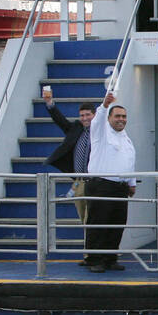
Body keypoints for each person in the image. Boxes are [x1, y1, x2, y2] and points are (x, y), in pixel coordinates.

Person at [84, 91, 136, 272]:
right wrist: (105, 106)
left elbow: (129, 159)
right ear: (109, 118)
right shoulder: (100, 133)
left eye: (124, 116)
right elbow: (97, 120)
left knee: (117, 223)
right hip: (101, 185)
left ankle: (110, 257)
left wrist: (131, 183)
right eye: (117, 116)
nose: (121, 119)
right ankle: (94, 259)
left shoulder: (125, 137)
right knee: (99, 223)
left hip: (120, 187)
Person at [43, 92, 94, 223]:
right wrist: (50, 103)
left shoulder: (100, 131)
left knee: (92, 217)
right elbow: (61, 121)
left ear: (94, 115)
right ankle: (88, 241)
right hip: (79, 181)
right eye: (82, 115)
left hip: (94, 181)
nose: (85, 118)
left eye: (88, 115)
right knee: (84, 219)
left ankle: (92, 242)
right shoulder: (76, 128)